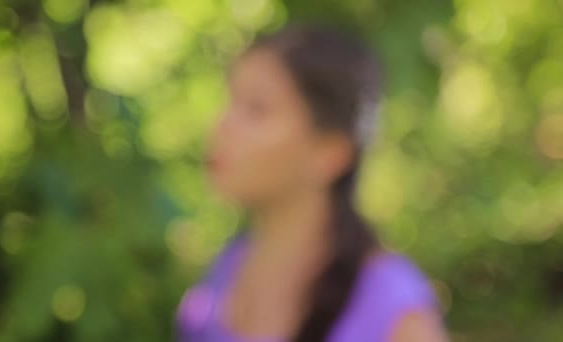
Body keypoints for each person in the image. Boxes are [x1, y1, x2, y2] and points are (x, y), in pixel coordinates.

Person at [176, 24, 448, 342]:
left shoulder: (394, 309)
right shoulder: (228, 266)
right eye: (230, 101)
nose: (222, 126)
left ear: (331, 151)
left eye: (256, 110)